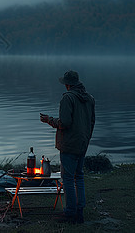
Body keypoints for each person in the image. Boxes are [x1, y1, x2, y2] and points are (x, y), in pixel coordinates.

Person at [40, 70, 95, 224]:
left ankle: (70, 212)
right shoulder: (89, 98)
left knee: (68, 179)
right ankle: (80, 212)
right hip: (83, 143)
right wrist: (86, 139)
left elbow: (64, 123)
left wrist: (49, 120)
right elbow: (92, 122)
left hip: (70, 144)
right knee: (79, 177)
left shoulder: (68, 98)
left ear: (68, 84)